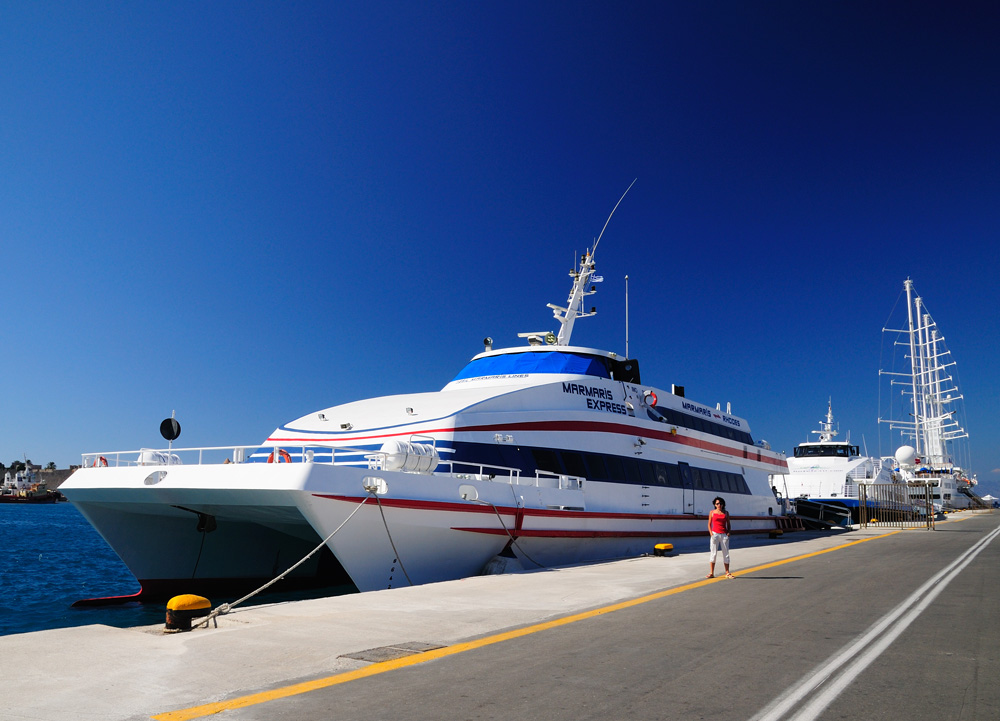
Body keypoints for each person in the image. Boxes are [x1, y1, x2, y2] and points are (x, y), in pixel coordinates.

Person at [706, 496, 734, 579]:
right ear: (714, 504)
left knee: (726, 554)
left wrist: (728, 532)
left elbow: (728, 524)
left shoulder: (726, 513)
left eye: (721, 503)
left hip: (724, 534)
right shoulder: (712, 512)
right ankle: (711, 572)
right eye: (717, 503)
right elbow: (709, 524)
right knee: (713, 553)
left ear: (723, 504)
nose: (719, 505)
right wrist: (711, 534)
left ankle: (727, 572)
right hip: (715, 534)